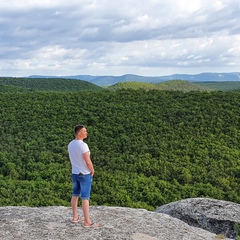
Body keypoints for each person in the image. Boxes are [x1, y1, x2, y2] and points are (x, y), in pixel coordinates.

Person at [68, 124, 99, 227]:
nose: (86, 133)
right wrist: (92, 170)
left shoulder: (70, 144)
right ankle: (87, 222)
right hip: (84, 174)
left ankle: (75, 217)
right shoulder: (83, 145)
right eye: (85, 131)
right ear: (79, 132)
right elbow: (88, 161)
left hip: (75, 173)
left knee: (75, 194)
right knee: (85, 197)